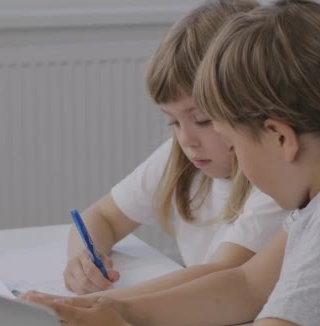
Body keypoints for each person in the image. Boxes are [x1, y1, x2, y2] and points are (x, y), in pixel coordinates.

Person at [27, 0, 320, 326]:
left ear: (280, 138)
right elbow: (247, 286)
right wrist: (119, 312)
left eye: (234, 144)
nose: (241, 170)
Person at [62, 0, 286, 298]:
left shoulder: (277, 183)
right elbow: (101, 216)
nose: (186, 139)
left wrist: (106, 305)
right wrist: (84, 260)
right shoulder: (180, 158)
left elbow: (222, 277)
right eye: (173, 123)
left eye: (203, 120)